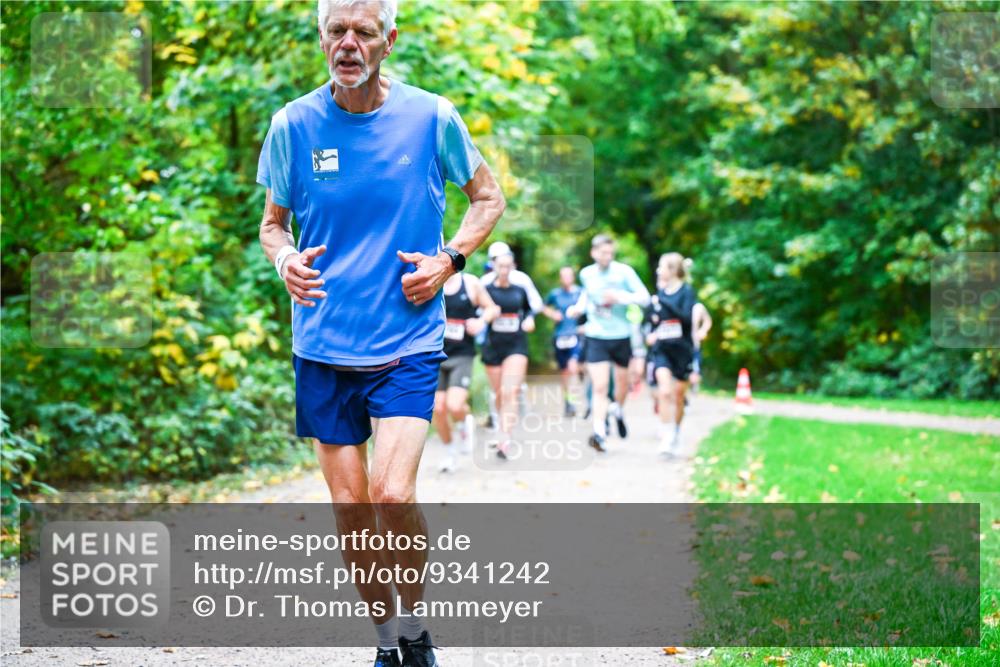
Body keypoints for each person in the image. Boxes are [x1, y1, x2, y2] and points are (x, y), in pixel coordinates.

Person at [256, 1, 504, 664]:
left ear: (388, 41)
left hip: (407, 342)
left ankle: (417, 629)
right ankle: (386, 641)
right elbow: (272, 223)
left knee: (392, 496)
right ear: (321, 37)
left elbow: (489, 197)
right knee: (352, 512)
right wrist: (285, 260)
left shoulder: (432, 117)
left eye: (363, 32)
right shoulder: (294, 125)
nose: (348, 43)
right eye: (336, 30)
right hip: (323, 345)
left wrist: (448, 259)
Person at [567, 234, 650, 452]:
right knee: (600, 386)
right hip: (596, 336)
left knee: (622, 385)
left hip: (621, 336)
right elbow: (588, 296)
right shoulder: (586, 274)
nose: (607, 256)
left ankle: (618, 410)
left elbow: (645, 297)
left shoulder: (624, 272)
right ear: (594, 253)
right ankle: (599, 432)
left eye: (611, 253)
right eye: (603, 253)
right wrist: (578, 308)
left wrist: (621, 297)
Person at [433, 271, 499, 472]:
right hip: (435, 354)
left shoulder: (470, 283)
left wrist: (480, 322)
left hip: (462, 354)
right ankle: (449, 453)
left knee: (454, 404)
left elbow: (492, 308)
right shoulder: (431, 281)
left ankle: (465, 421)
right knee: (438, 408)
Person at [481, 253, 535, 459]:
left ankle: (505, 438)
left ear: (513, 266)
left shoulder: (519, 290)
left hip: (516, 345)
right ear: (494, 266)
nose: (504, 270)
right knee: (499, 394)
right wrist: (486, 316)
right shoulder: (485, 289)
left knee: (510, 391)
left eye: (507, 266)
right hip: (494, 346)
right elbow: (476, 311)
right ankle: (499, 426)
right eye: (500, 266)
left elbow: (530, 311)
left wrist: (529, 320)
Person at [645, 252, 698, 457]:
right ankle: (666, 436)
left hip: (682, 350)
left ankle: (676, 431)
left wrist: (663, 301)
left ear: (673, 270)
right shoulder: (657, 296)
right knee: (664, 392)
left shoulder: (686, 292)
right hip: (662, 350)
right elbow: (651, 319)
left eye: (662, 267)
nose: (659, 270)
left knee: (678, 395)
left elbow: (686, 318)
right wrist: (651, 331)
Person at [542, 266, 583, 417]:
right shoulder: (555, 294)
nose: (566, 279)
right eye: (563, 276)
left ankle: (575, 399)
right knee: (565, 372)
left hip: (576, 334)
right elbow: (543, 306)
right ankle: (569, 402)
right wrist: (552, 314)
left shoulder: (580, 293)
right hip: (559, 336)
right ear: (560, 278)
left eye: (569, 276)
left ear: (573, 277)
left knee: (573, 368)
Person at [690, 301, 713, 393]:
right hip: (677, 346)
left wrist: (703, 331)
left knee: (695, 371)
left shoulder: (697, 307)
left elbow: (708, 320)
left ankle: (693, 389)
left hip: (694, 345)